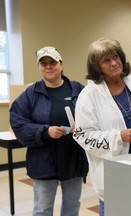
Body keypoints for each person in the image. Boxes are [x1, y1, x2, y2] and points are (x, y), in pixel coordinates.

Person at [73, 38, 131, 216]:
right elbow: (82, 135)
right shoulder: (89, 95)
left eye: (116, 57)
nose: (114, 63)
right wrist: (118, 137)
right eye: (106, 60)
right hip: (115, 171)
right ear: (97, 67)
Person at [9, 46, 89, 216]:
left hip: (73, 160)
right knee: (42, 209)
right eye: (43, 63)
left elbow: (93, 115)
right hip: (44, 161)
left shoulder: (78, 90)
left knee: (72, 206)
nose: (48, 66)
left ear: (61, 65)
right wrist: (46, 131)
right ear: (39, 67)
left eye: (52, 62)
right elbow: (18, 123)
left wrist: (83, 128)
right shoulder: (31, 94)